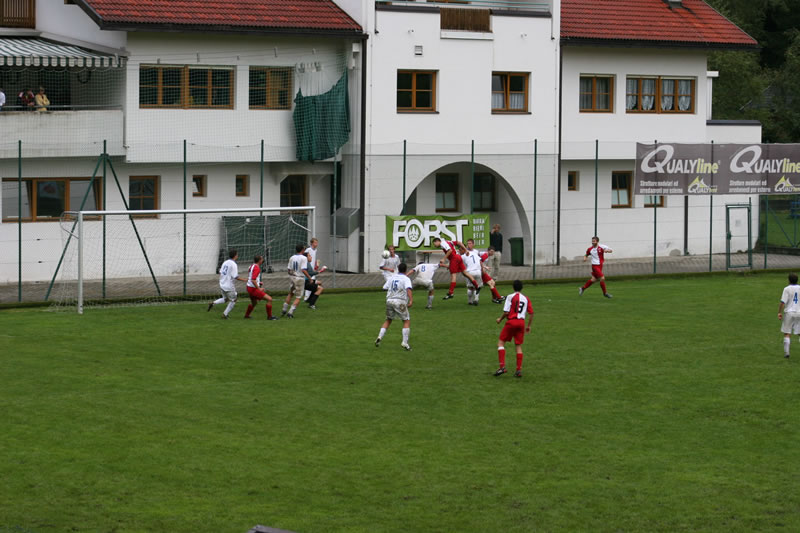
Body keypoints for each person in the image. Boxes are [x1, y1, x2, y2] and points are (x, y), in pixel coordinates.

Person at [494, 279, 534, 378]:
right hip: (521, 323)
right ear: (522, 288)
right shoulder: (526, 298)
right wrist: (528, 326)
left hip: (512, 322)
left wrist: (500, 319)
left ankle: (502, 367)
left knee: (501, 343)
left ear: (513, 287)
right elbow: (531, 313)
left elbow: (506, 312)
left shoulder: (510, 297)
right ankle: (518, 370)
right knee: (518, 346)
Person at [375, 262, 413, 351]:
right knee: (406, 320)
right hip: (399, 302)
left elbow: (384, 287)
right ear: (406, 270)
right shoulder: (406, 278)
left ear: (398, 269)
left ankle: (379, 337)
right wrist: (411, 300)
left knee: (388, 320)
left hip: (389, 301)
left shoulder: (392, 277)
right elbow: (408, 289)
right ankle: (405, 342)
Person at [207, 249, 246, 319]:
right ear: (235, 256)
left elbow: (221, 272)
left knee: (226, 299)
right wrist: (245, 280)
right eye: (237, 254)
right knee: (234, 299)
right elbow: (236, 276)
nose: (238, 256)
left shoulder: (225, 262)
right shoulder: (234, 264)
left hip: (222, 283)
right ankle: (225, 314)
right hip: (229, 285)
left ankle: (213, 303)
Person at [244, 255, 278, 320]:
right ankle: (269, 317)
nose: (263, 260)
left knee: (254, 303)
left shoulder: (251, 266)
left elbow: (251, 277)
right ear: (259, 260)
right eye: (262, 259)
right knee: (269, 299)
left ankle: (246, 315)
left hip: (249, 287)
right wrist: (259, 288)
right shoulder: (257, 268)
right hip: (253, 289)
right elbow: (253, 279)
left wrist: (258, 283)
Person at [281, 244, 311, 318]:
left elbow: (289, 270)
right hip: (299, 278)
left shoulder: (292, 257)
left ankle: (284, 309)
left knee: (290, 293)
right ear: (302, 250)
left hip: (292, 277)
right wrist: (309, 278)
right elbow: (303, 270)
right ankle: (290, 312)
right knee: (298, 297)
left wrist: (292, 275)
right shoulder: (304, 258)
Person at [779, 273, 800, 358]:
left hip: (789, 313)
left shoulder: (787, 289)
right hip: (799, 312)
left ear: (789, 280)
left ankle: (787, 353)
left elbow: (782, 302)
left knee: (787, 332)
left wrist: (779, 312)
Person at [461, 241, 484, 306]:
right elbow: (480, 261)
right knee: (478, 286)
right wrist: (482, 269)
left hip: (470, 272)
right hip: (478, 272)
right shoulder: (474, 253)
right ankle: (476, 299)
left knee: (470, 287)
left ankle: (470, 301)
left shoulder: (463, 256)